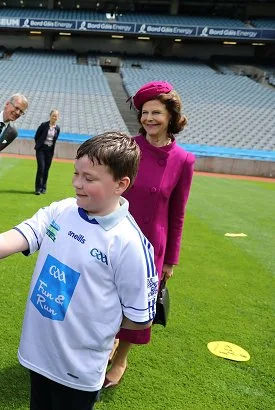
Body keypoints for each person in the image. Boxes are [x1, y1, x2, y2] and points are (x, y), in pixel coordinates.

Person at [0, 132, 158, 410]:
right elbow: (7, 240)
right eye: (76, 173)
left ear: (121, 184)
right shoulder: (62, 210)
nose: (77, 184)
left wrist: (96, 326)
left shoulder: (129, 243)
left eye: (89, 179)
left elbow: (140, 320)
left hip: (78, 370)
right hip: (37, 354)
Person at [104, 81, 194, 388]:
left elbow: (178, 213)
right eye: (144, 112)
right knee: (105, 297)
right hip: (114, 235)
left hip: (151, 245)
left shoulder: (184, 160)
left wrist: (171, 258)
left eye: (156, 112)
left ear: (171, 116)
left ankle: (121, 357)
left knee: (137, 304)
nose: (149, 118)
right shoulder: (127, 147)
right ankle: (105, 343)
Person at [34, 109, 60, 195]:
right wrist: (39, 145)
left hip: (50, 151)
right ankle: (38, 188)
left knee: (46, 169)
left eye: (56, 116)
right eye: (53, 115)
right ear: (50, 116)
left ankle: (43, 188)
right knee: (41, 168)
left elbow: (54, 139)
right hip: (41, 149)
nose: (54, 117)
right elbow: (36, 136)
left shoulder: (57, 128)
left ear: (58, 117)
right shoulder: (44, 125)